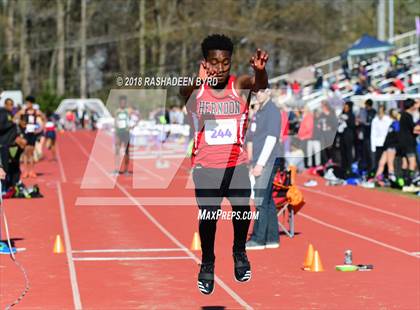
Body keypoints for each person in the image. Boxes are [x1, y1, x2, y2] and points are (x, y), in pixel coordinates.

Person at [180, 34, 268, 295]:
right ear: (205, 62)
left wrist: (261, 72)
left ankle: (239, 252)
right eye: (214, 62)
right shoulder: (195, 88)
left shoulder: (237, 85)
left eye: (225, 62)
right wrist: (199, 81)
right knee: (209, 219)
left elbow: (259, 86)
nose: (220, 68)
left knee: (242, 214)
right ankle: (207, 263)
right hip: (206, 170)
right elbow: (187, 95)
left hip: (237, 167)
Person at [245, 89, 281, 250]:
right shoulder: (260, 111)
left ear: (269, 91)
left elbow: (272, 138)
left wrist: (260, 163)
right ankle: (272, 238)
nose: (257, 94)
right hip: (260, 160)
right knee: (267, 201)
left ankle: (258, 239)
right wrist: (253, 161)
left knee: (260, 200)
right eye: (255, 91)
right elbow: (252, 137)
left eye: (260, 91)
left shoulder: (272, 111)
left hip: (267, 160)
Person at [15, 96, 45, 178]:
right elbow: (15, 117)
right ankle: (25, 171)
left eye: (28, 103)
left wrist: (40, 129)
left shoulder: (36, 112)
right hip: (25, 133)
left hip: (33, 134)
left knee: (31, 153)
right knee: (25, 152)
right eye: (26, 103)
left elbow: (44, 118)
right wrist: (20, 122)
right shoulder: (23, 111)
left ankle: (32, 171)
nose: (27, 104)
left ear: (32, 103)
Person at [399, 99, 418, 185]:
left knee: (405, 162)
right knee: (412, 163)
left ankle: (404, 182)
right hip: (408, 142)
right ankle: (409, 183)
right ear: (411, 106)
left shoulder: (403, 115)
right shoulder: (408, 115)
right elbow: (414, 129)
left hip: (402, 142)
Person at [370, 105, 392, 173]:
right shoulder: (375, 120)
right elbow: (373, 133)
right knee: (378, 161)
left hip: (387, 143)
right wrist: (373, 146)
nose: (380, 113)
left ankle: (386, 175)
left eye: (381, 112)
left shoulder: (388, 120)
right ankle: (379, 176)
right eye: (379, 112)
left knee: (387, 161)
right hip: (378, 144)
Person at [114, 96, 132, 175]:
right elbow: (115, 121)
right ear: (119, 103)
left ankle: (126, 169)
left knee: (127, 151)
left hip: (126, 133)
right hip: (119, 132)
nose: (123, 104)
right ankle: (117, 169)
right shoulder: (117, 111)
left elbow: (134, 118)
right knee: (117, 150)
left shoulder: (128, 111)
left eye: (124, 102)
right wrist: (116, 130)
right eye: (121, 102)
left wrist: (132, 125)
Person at [359, 99, 376, 175]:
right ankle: (366, 168)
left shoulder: (373, 112)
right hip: (365, 136)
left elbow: (371, 124)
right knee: (365, 153)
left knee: (370, 154)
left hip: (371, 137)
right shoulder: (365, 112)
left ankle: (372, 169)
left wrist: (364, 123)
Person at [338, 101, 355, 176]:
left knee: (348, 153)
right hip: (342, 137)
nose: (345, 108)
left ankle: (349, 169)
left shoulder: (351, 115)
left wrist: (346, 122)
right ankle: (343, 169)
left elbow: (352, 125)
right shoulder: (342, 114)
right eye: (344, 107)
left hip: (348, 137)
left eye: (347, 107)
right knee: (343, 153)